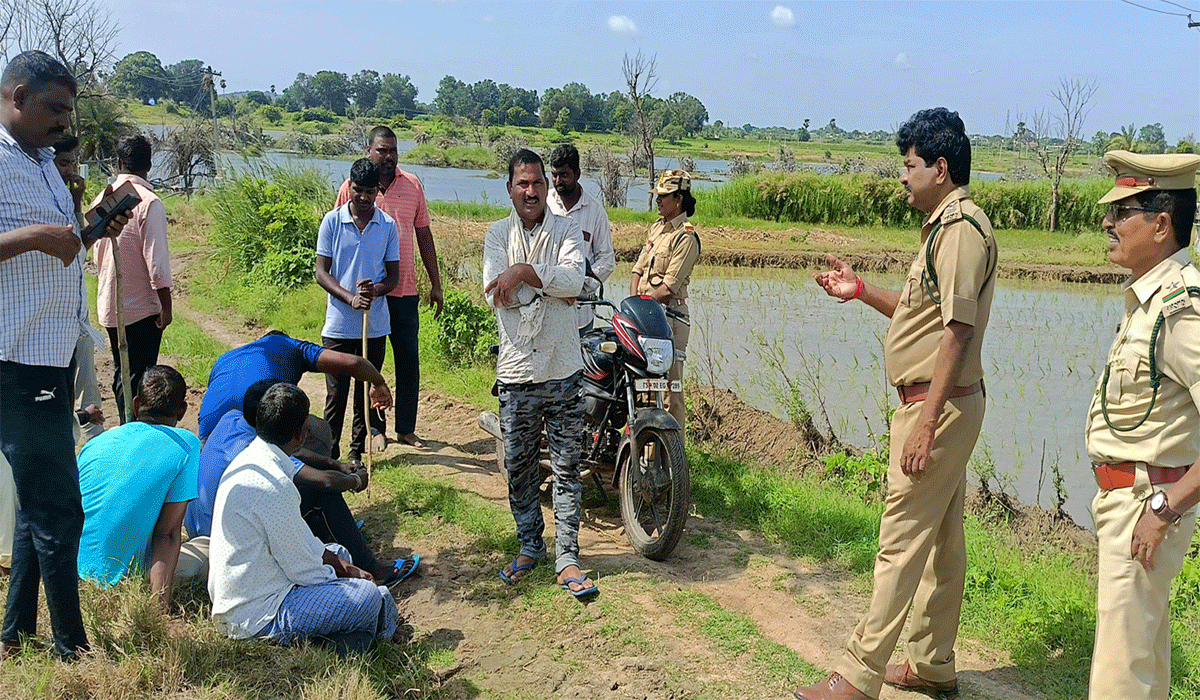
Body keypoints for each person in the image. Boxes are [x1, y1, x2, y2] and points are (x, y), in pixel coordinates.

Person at [796, 108, 997, 700]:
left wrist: (925, 424)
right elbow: (922, 316)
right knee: (941, 541)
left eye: (909, 165)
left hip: (938, 407)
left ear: (939, 167)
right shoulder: (944, 226)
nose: (902, 176)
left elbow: (957, 332)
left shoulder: (959, 229)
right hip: (943, 404)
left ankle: (859, 676)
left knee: (901, 537)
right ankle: (933, 664)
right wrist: (859, 291)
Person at [0, 50, 126, 661]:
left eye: (69, 111)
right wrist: (31, 237)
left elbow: (66, 243)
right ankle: (71, 649)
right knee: (60, 510)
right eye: (52, 108)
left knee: (36, 501)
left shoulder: (45, 163)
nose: (63, 122)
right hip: (14, 358)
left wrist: (97, 224)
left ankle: (15, 629)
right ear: (16, 96)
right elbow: (36, 242)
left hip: (51, 353)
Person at [1084, 151, 1200, 700]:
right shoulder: (1147, 301)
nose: (1108, 222)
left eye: (1122, 211)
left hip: (1145, 506)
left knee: (1119, 680)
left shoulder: (1179, 309)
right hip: (1130, 501)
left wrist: (1165, 507)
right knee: (1141, 672)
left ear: (1161, 223)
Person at [208, 383, 402, 651]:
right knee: (368, 596)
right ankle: (361, 635)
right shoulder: (273, 485)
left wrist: (344, 567)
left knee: (340, 553)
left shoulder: (255, 457)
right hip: (259, 614)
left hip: (251, 591)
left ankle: (357, 629)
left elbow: (300, 546)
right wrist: (349, 578)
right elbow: (303, 569)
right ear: (300, 433)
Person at [483, 148, 596, 598]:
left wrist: (527, 272)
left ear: (547, 188)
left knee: (568, 467)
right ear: (509, 188)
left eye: (537, 184)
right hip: (516, 373)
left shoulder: (567, 229)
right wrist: (550, 287)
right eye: (522, 184)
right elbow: (499, 296)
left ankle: (567, 557)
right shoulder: (496, 236)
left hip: (564, 368)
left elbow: (578, 280)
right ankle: (531, 546)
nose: (531, 192)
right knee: (521, 467)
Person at [186, 379, 417, 586]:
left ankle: (335, 533)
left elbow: (296, 453)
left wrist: (335, 464)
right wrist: (356, 480)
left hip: (204, 525)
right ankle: (373, 570)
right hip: (224, 543)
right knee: (319, 495)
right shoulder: (257, 452)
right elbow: (325, 483)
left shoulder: (232, 419)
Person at [335, 126, 443, 449]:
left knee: (408, 360)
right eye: (382, 151)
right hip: (370, 296)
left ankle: (406, 428)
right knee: (371, 363)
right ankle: (375, 430)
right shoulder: (352, 188)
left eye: (393, 150)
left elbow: (424, 235)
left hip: (404, 290)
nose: (389, 157)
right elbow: (339, 238)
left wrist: (436, 284)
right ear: (369, 151)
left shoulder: (412, 186)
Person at [76, 366, 198, 613]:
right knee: (203, 553)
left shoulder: (95, 443)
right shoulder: (186, 445)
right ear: (183, 411)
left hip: (74, 570)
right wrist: (160, 611)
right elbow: (168, 533)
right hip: (123, 578)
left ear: (135, 404)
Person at [317, 158, 400, 463]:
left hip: (373, 325)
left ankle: (356, 454)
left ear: (378, 190)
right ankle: (329, 453)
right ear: (349, 186)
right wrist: (350, 297)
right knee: (335, 395)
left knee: (365, 393)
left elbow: (393, 277)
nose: (363, 197)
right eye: (358, 190)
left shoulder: (387, 226)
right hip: (338, 325)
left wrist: (374, 291)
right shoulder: (332, 221)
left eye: (370, 191)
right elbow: (321, 273)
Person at [90, 134, 173, 423]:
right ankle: (133, 429)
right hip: (140, 309)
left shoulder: (103, 198)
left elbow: (95, 256)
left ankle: (128, 425)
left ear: (118, 162)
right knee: (139, 375)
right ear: (149, 165)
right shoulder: (149, 203)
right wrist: (166, 305)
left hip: (111, 305)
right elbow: (157, 261)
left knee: (122, 370)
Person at [196, 329, 392, 443]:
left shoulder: (227, 358)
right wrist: (378, 383)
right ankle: (314, 499)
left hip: (208, 438)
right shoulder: (292, 347)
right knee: (319, 432)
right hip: (254, 433)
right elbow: (354, 363)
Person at [629, 169, 700, 431]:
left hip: (670, 319)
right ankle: (647, 453)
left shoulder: (686, 237)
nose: (657, 201)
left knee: (670, 392)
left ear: (678, 199)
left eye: (663, 196)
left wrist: (641, 305)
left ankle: (673, 459)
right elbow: (638, 268)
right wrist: (634, 303)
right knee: (645, 388)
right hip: (646, 315)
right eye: (657, 196)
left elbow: (668, 288)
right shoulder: (657, 228)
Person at [53, 134, 104, 443]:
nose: (69, 172)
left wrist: (76, 202)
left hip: (77, 319)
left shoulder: (64, 199)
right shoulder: (40, 199)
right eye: (62, 164)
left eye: (72, 164)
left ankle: (95, 444)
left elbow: (78, 250)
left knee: (87, 383)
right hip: (54, 324)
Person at [547, 143, 614, 335]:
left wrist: (580, 285)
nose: (558, 181)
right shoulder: (544, 205)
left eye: (564, 175)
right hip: (546, 310)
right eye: (554, 175)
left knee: (579, 364)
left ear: (578, 174)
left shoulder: (594, 211)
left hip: (580, 316)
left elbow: (607, 260)